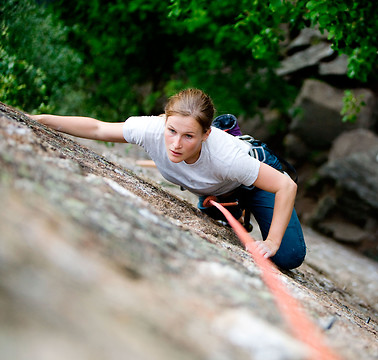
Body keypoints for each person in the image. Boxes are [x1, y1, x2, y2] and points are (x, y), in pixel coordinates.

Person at [29, 88, 306, 270]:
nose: (175, 144)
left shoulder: (226, 158)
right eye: (172, 131)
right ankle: (221, 199)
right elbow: (98, 127)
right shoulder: (150, 129)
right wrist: (38, 119)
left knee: (287, 256)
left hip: (253, 177)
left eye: (188, 136)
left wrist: (270, 243)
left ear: (205, 135)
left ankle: (232, 189)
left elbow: (286, 185)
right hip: (218, 186)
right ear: (164, 121)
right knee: (213, 201)